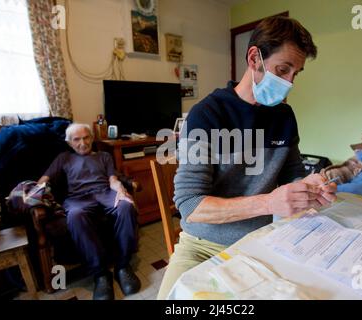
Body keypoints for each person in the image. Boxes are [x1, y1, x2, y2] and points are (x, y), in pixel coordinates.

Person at [157, 16, 337, 299]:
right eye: (282, 69)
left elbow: (292, 174)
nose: (289, 83)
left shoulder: (284, 116)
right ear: (254, 58)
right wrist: (269, 202)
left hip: (264, 241)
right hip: (202, 244)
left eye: (296, 73)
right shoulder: (206, 114)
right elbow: (190, 204)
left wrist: (310, 186)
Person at [38, 123, 140, 300]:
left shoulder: (104, 156)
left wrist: (122, 192)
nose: (82, 143)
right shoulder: (63, 158)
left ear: (92, 139)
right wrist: (34, 191)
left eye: (86, 138)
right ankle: (100, 274)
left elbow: (113, 180)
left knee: (126, 206)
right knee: (75, 216)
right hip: (78, 198)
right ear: (69, 143)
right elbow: (44, 180)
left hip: (105, 192)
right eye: (76, 139)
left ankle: (123, 266)